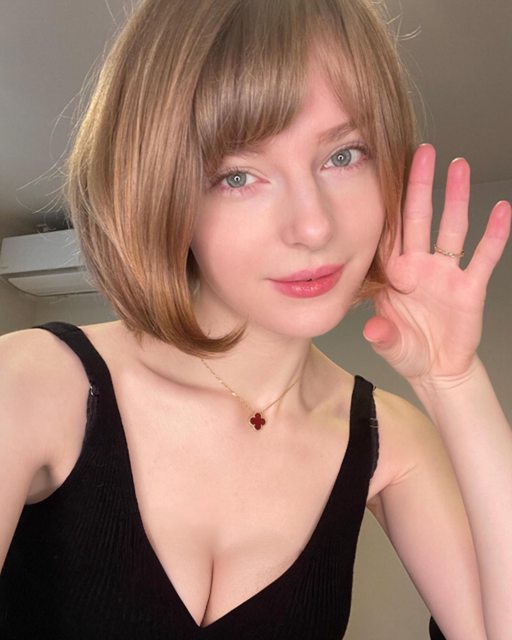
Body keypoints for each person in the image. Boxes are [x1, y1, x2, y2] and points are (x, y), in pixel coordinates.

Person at [0, 0, 510, 638]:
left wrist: (453, 380)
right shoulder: (28, 383)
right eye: (238, 175)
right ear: (160, 188)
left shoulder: (392, 442)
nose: (313, 226)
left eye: (344, 155)